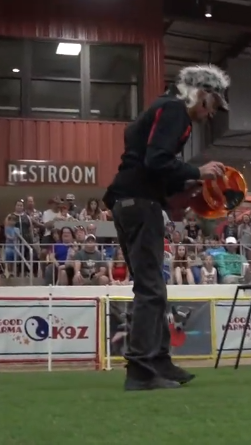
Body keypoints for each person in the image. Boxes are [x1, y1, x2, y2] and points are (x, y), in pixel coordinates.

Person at [103, 64, 230, 391]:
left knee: (150, 287)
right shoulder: (175, 112)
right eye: (214, 105)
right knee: (150, 288)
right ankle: (143, 370)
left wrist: (178, 188)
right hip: (139, 202)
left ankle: (158, 361)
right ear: (202, 94)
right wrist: (197, 172)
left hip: (128, 201)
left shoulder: (159, 107)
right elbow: (157, 160)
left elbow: (147, 159)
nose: (212, 113)